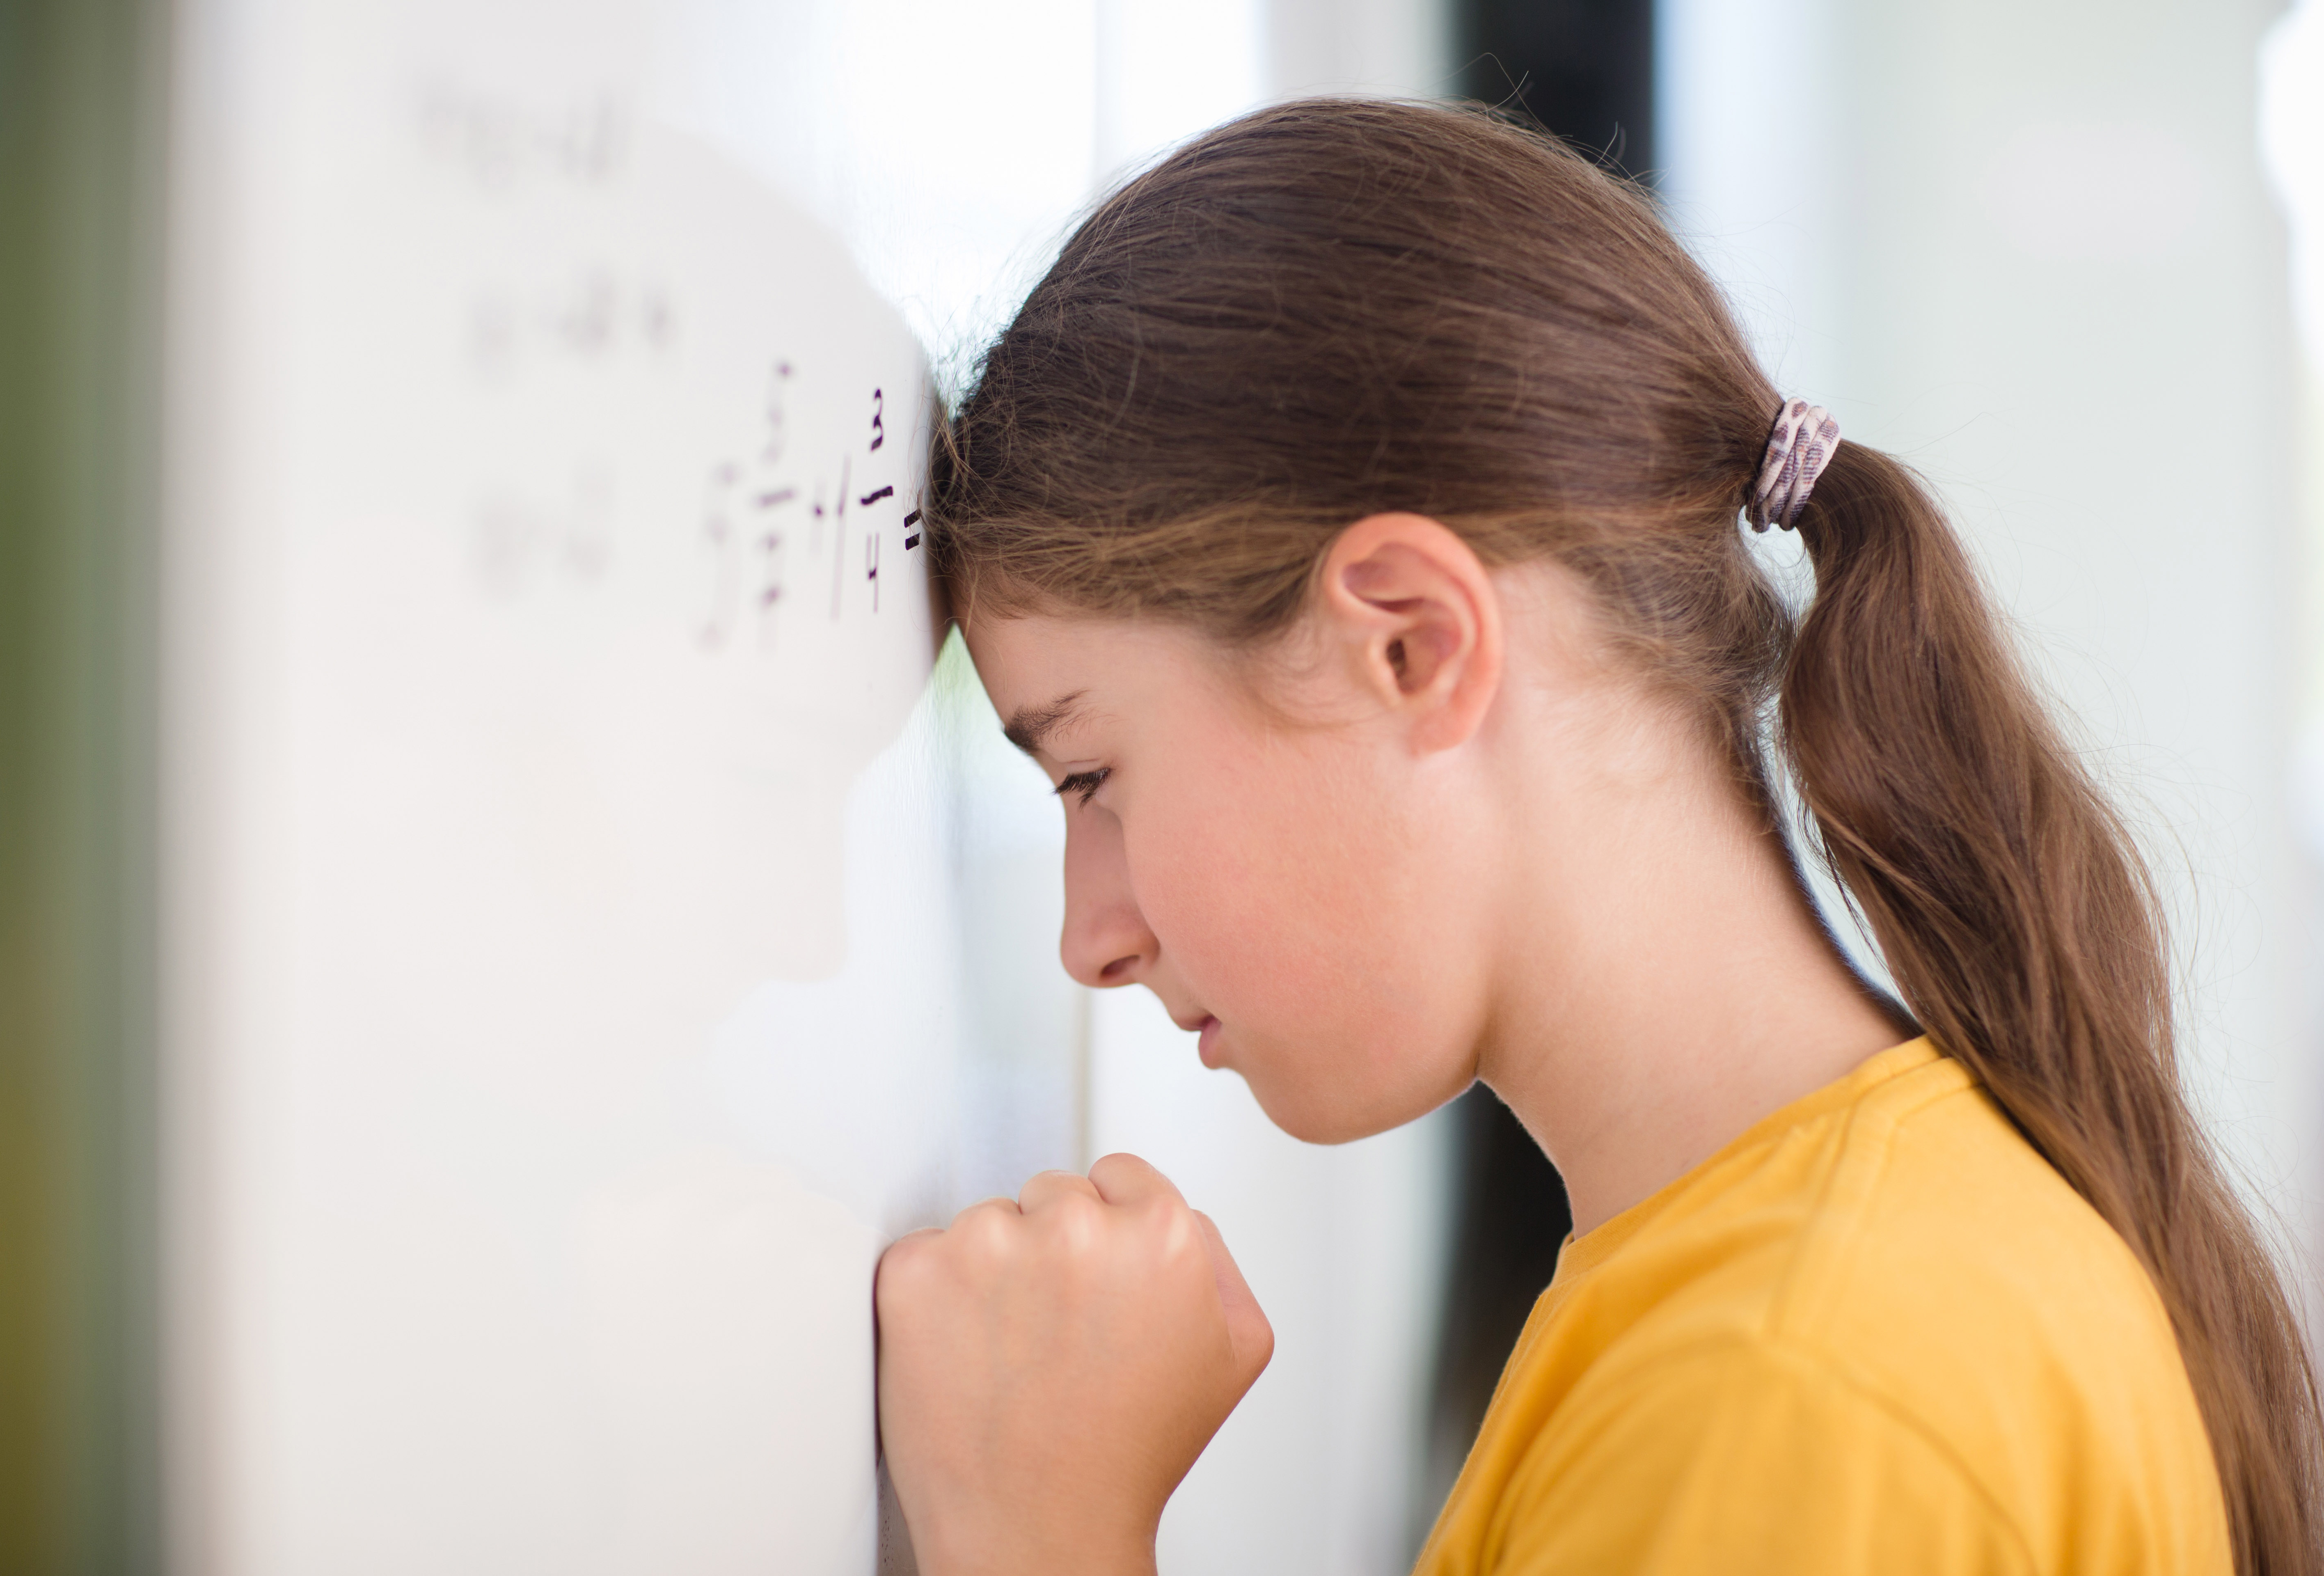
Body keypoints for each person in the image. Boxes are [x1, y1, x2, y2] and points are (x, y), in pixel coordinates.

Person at [872, 99, 2322, 1576]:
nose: (1089, 938)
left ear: (1412, 648)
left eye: (1092, 776)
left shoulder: (1796, 1392)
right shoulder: (1793, 1294)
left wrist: (1039, 1535)